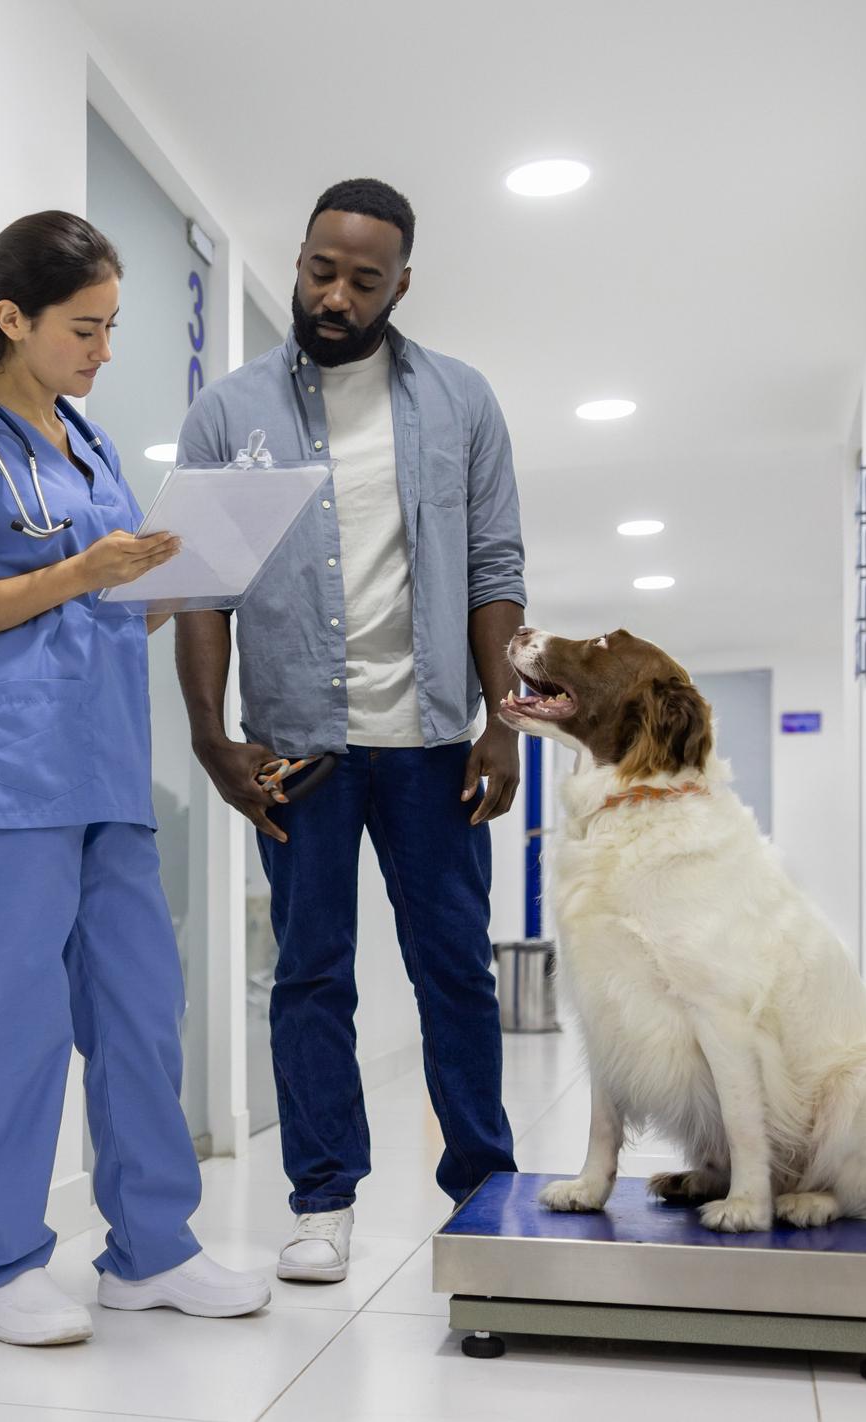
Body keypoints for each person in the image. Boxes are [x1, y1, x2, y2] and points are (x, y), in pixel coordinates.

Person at [0, 211, 270, 1346]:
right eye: (85, 328)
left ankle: (150, 1252)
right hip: (3, 770)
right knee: (13, 1023)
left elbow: (103, 608)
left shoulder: (89, 446)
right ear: (11, 319)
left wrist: (188, 568)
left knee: (139, 1015)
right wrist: (80, 572)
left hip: (104, 767)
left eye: (112, 329)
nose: (104, 351)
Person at [174, 179, 526, 1285]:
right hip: (299, 747)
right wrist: (208, 736)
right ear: (300, 256)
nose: (332, 294)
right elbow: (199, 591)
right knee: (311, 976)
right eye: (320, 269)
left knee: (454, 974)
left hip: (429, 742)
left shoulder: (461, 403)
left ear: (400, 285)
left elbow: (493, 572)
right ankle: (321, 1200)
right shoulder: (232, 413)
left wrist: (501, 720)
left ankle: (481, 1186)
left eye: (361, 280)